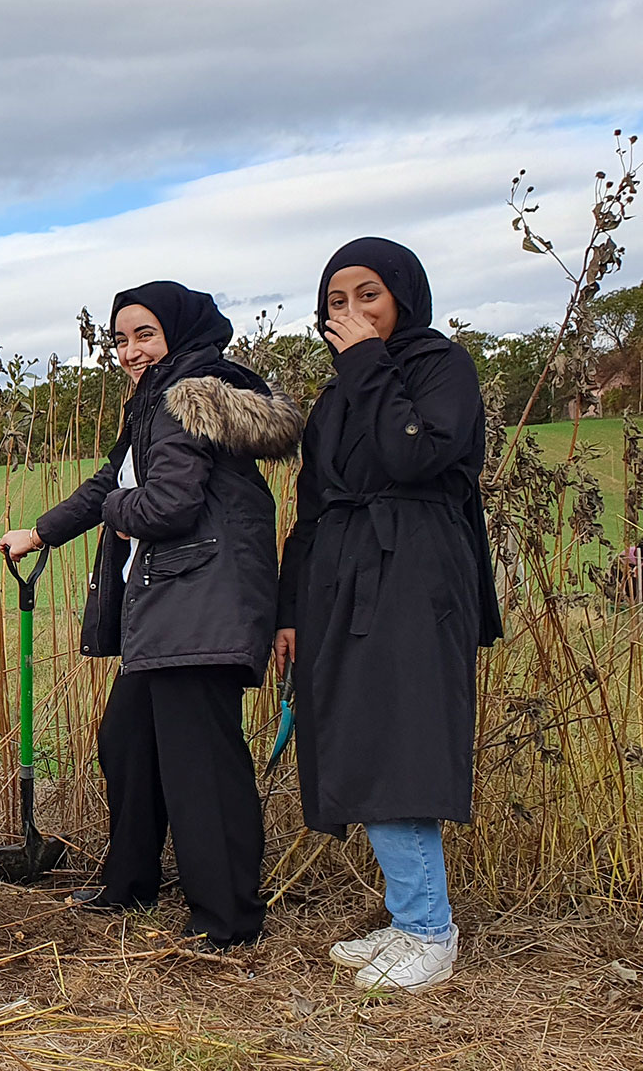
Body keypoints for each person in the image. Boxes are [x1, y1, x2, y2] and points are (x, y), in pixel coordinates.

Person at [0, 282, 299, 951]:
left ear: (179, 334)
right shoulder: (159, 400)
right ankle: (129, 882)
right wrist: (42, 532)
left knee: (202, 765)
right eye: (122, 338)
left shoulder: (183, 396)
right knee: (128, 741)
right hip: (178, 607)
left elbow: (164, 506)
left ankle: (227, 919)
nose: (131, 350)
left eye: (145, 335)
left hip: (201, 606)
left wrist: (118, 515)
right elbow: (115, 479)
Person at [275, 237, 503, 994]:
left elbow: (416, 457)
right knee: (358, 738)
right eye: (336, 303)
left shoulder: (440, 366)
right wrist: (288, 611)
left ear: (403, 294)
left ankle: (430, 932)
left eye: (366, 295)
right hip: (340, 576)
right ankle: (413, 915)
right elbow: (309, 508)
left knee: (398, 740)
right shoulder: (340, 392)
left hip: (415, 569)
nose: (351, 314)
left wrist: (368, 362)